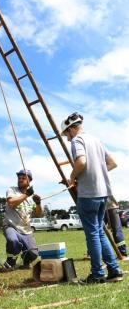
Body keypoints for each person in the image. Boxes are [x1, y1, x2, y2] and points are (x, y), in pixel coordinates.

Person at [61, 112, 123, 284]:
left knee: (93, 235)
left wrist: (73, 177)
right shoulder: (96, 140)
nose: (67, 138)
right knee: (100, 232)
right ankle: (114, 270)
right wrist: (96, 174)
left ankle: (97, 274)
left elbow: (81, 162)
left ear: (71, 129)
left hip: (89, 194)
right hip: (104, 193)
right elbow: (112, 163)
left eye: (66, 134)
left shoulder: (77, 140)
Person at [2, 169, 42, 270]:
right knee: (12, 240)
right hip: (11, 226)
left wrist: (38, 204)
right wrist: (26, 195)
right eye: (19, 178)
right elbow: (11, 203)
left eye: (23, 178)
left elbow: (38, 214)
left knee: (34, 253)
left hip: (26, 230)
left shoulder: (32, 196)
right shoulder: (12, 190)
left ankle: (26, 260)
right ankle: (11, 261)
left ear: (29, 181)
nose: (20, 180)